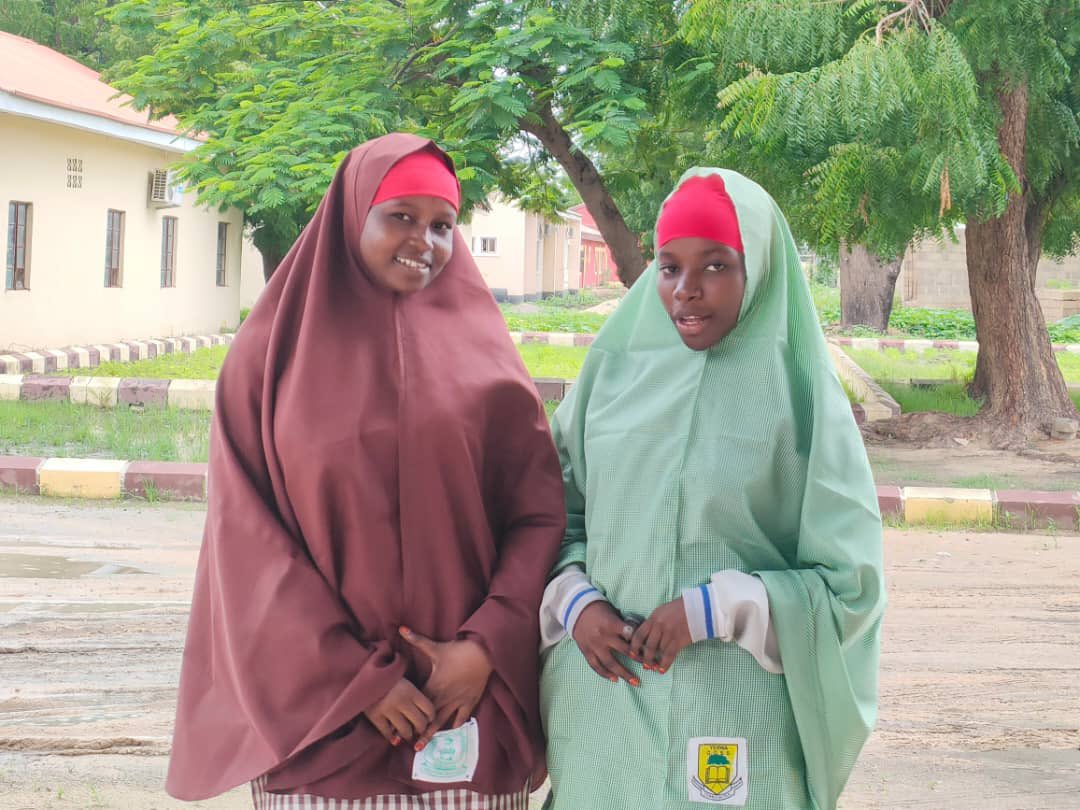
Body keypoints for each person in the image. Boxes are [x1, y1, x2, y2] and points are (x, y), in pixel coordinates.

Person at [165, 133, 565, 809]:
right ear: (354, 216)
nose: (424, 241)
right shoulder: (270, 363)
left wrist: (486, 646)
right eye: (400, 217)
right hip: (324, 722)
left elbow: (536, 515)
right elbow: (248, 541)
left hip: (461, 714)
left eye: (442, 225)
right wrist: (356, 679)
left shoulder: (487, 363)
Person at [538, 169, 885, 809]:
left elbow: (849, 587)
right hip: (608, 705)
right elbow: (553, 517)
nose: (686, 291)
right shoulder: (613, 374)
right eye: (669, 267)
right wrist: (576, 602)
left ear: (758, 267)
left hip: (736, 714)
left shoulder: (803, 401)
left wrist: (718, 608)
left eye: (716, 265)